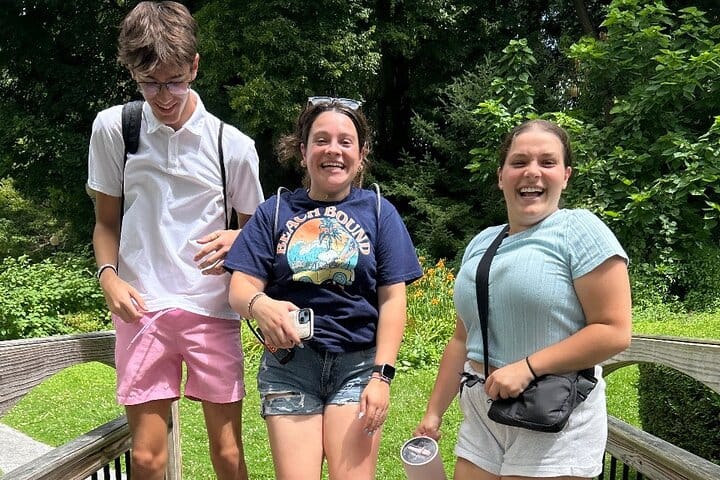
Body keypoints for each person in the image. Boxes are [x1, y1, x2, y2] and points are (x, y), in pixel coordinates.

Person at [87, 2, 264, 479]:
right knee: (147, 458)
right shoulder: (115, 128)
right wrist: (108, 277)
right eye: (149, 83)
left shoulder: (233, 146)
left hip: (211, 309)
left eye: (175, 81)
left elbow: (257, 234)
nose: (163, 96)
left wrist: (238, 237)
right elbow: (106, 222)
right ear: (132, 72)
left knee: (227, 454)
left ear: (195, 67)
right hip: (141, 307)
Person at [414, 119, 632, 479]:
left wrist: (528, 367)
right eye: (519, 162)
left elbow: (614, 330)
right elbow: (463, 338)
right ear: (501, 176)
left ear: (565, 175)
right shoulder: (482, 242)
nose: (532, 171)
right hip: (482, 411)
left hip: (552, 412)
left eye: (547, 162)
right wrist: (434, 413)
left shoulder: (580, 230)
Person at [224, 96, 423, 479]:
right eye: (321, 140)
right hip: (290, 367)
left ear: (361, 155)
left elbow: (393, 299)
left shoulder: (379, 212)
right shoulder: (274, 212)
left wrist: (382, 376)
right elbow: (240, 286)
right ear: (303, 152)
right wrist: (260, 304)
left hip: (358, 367)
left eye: (345, 142)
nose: (333, 150)